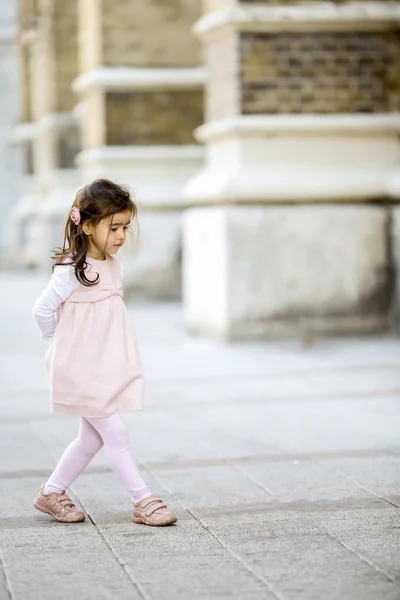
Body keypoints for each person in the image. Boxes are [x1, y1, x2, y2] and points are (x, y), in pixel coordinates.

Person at [32, 178, 177, 527]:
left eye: (125, 227)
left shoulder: (113, 265)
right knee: (115, 432)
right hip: (79, 368)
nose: (121, 236)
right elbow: (41, 311)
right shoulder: (72, 271)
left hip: (102, 366)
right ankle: (142, 499)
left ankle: (51, 492)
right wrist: (58, 343)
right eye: (114, 228)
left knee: (90, 439)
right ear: (87, 226)